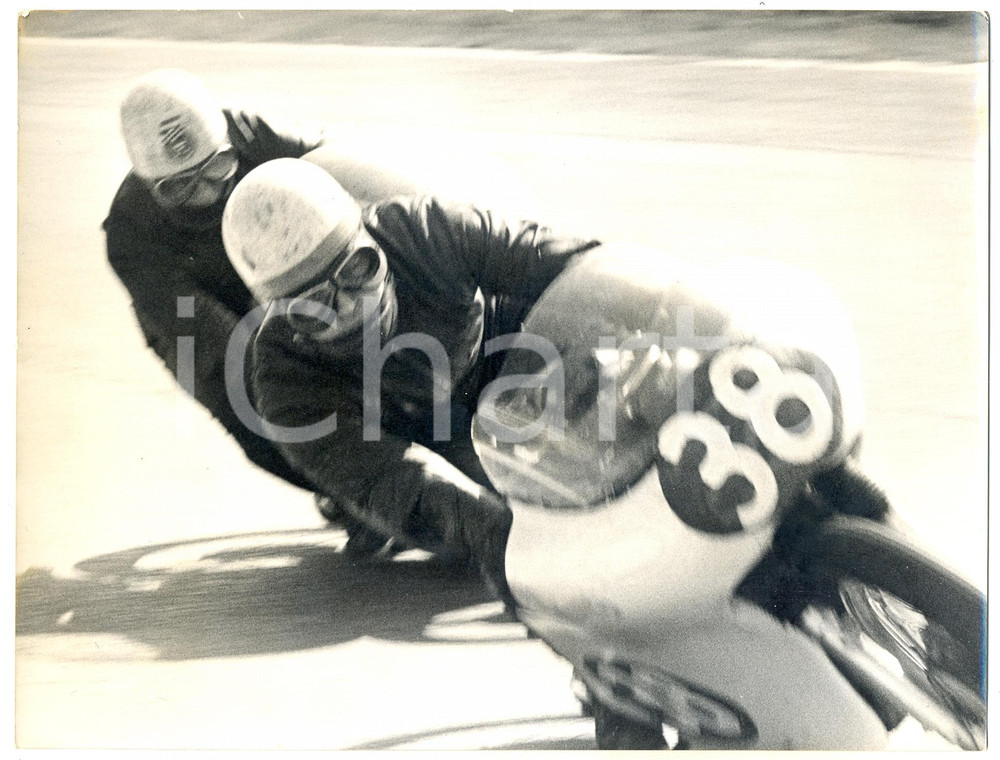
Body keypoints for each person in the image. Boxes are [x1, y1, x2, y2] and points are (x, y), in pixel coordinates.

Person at [220, 157, 601, 584]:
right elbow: (396, 478)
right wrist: (510, 540)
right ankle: (357, 506)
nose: (350, 306)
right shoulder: (283, 380)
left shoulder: (428, 228)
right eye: (313, 305)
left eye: (356, 269)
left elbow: (575, 263)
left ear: (369, 238)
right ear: (282, 314)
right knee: (520, 521)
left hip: (501, 354)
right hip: (421, 438)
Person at [103, 68, 329, 492]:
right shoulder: (128, 236)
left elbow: (345, 166)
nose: (206, 194)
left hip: (277, 259)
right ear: (149, 185)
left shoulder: (252, 131)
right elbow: (224, 343)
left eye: (217, 168)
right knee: (247, 406)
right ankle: (347, 496)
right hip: (193, 307)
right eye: (178, 187)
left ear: (230, 146)